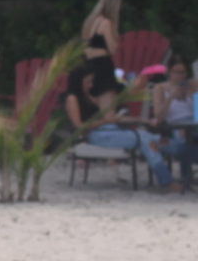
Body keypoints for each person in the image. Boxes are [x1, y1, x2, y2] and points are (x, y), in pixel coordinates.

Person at [63, 61, 178, 191]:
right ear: (78, 81)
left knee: (153, 139)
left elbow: (114, 119)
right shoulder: (72, 98)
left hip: (110, 129)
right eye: (88, 81)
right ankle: (170, 178)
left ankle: (181, 161)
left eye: (91, 81)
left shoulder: (92, 96)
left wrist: (142, 120)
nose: (91, 85)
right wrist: (104, 122)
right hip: (93, 135)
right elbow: (79, 126)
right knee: (146, 139)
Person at [148, 56, 197, 186]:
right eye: (176, 72)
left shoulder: (192, 85)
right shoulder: (161, 88)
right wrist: (171, 97)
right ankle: (186, 176)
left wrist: (191, 95)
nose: (180, 76)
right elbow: (159, 117)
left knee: (190, 134)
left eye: (183, 72)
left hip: (193, 122)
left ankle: (187, 175)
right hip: (173, 125)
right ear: (169, 72)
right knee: (184, 138)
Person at [81, 0, 122, 97]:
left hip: (88, 63)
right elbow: (113, 49)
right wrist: (115, 35)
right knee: (108, 106)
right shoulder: (106, 23)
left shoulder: (90, 21)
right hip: (102, 66)